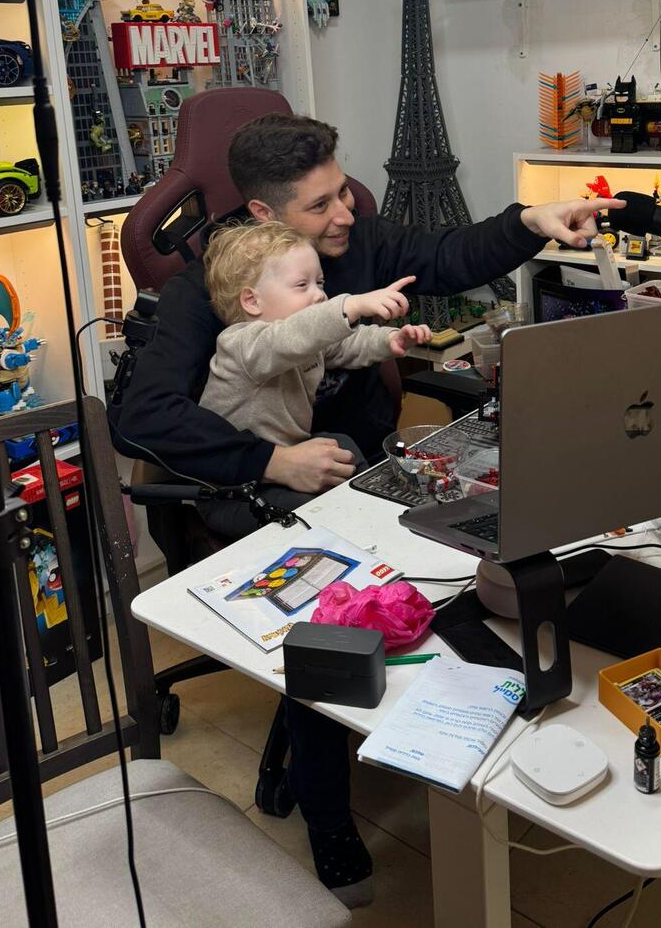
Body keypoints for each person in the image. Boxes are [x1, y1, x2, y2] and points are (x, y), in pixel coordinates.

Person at [111, 111, 621, 906]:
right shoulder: (208, 290)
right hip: (256, 492)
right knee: (335, 628)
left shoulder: (359, 238)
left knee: (474, 547)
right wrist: (270, 458)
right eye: (320, 206)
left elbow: (447, 254)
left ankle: (468, 730)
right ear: (264, 217)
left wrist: (533, 222)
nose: (346, 212)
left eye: (342, 192)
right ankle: (327, 811)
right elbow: (141, 415)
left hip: (358, 467)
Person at [200, 218, 431, 458]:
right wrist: (351, 304)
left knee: (342, 445)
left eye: (319, 283)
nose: (319, 295)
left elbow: (346, 344)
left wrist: (390, 339)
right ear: (252, 301)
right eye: (302, 285)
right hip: (239, 471)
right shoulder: (240, 344)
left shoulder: (306, 339)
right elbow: (289, 338)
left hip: (289, 452)